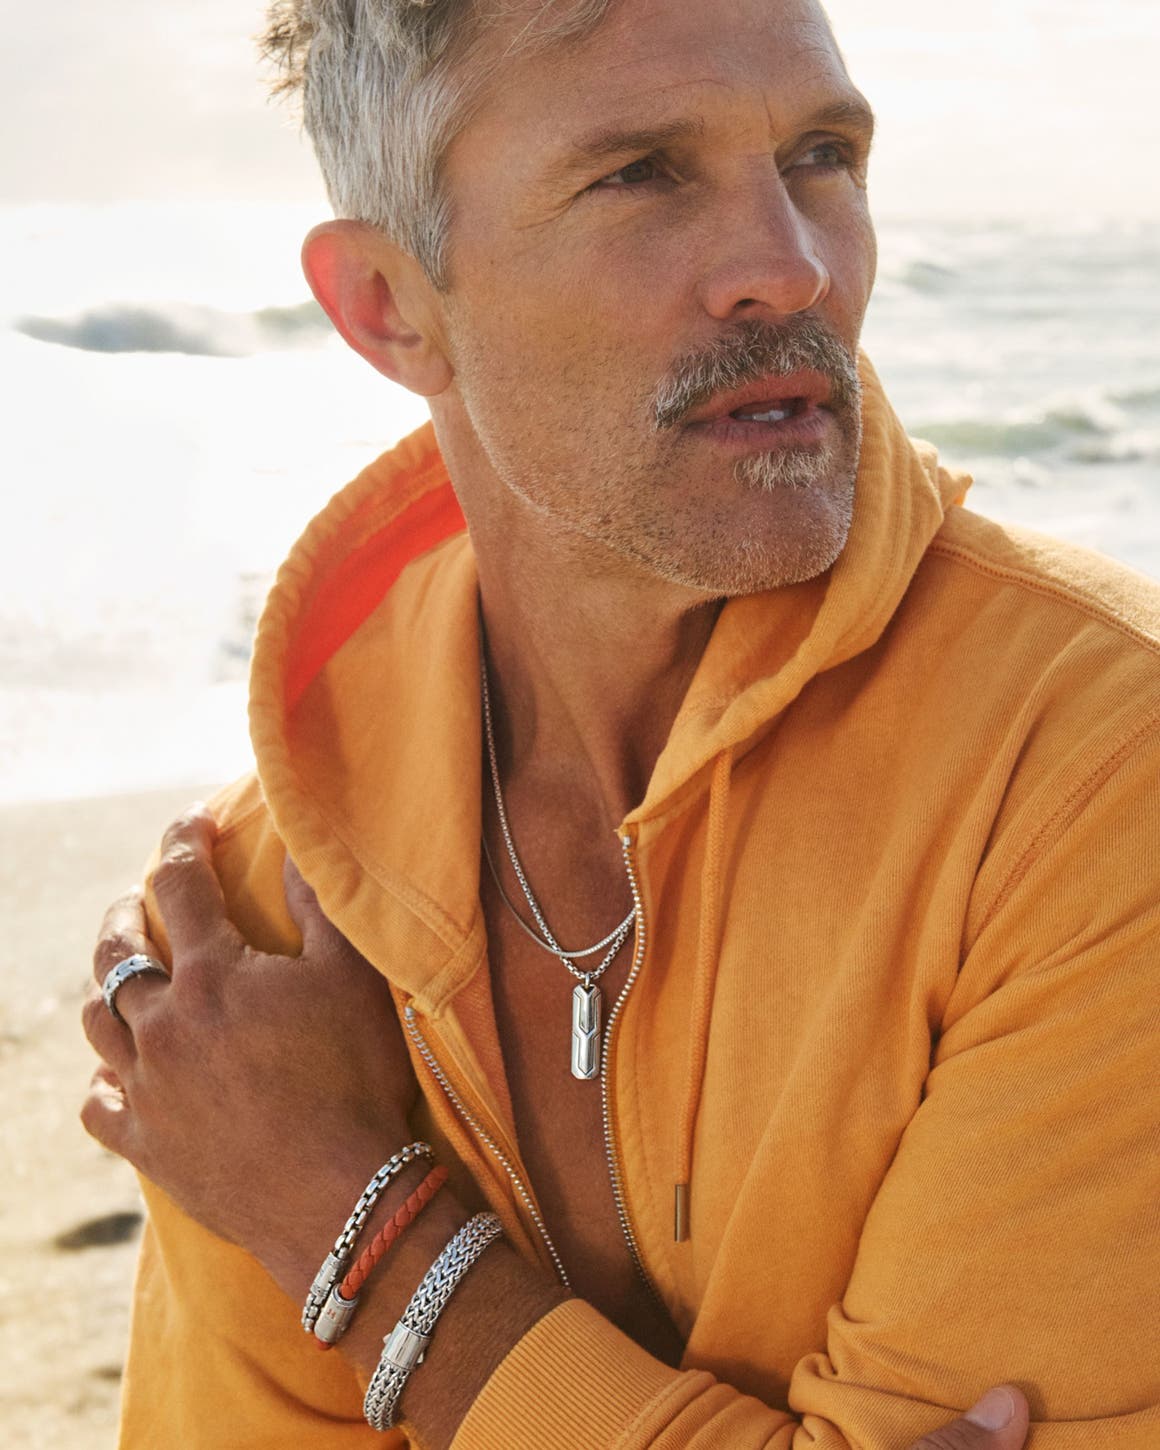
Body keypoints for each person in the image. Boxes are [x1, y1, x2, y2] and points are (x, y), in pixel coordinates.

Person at [81, 0, 1159, 1446]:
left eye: (823, 154)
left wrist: (360, 1222)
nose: (794, 266)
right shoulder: (260, 917)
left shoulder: (1091, 763)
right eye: (641, 174)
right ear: (392, 307)